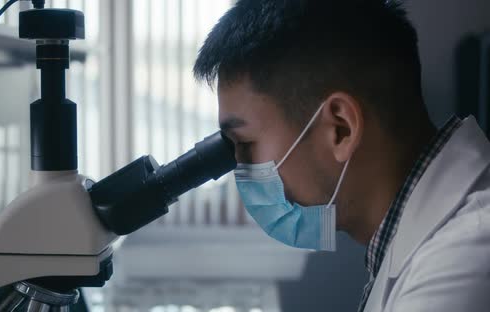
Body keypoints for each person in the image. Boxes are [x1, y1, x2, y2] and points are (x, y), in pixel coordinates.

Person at [193, 0, 490, 311]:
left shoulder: (465, 262)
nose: (241, 169)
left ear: (341, 129)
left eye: (245, 143)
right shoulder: (402, 243)